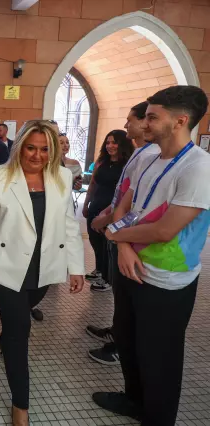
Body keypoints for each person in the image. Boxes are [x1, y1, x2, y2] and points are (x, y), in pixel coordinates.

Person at [94, 86, 210, 426]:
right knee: (127, 340)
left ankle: (158, 418)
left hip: (166, 280)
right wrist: (122, 245)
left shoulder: (198, 167)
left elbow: (164, 230)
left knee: (159, 357)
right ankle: (133, 399)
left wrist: (115, 236)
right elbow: (125, 207)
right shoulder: (149, 158)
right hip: (130, 266)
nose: (144, 124)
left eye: (152, 117)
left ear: (180, 121)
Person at [0, 119, 85, 426]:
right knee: (20, 331)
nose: (37, 156)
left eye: (45, 149)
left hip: (44, 265)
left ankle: (7, 334)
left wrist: (77, 267)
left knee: (22, 314)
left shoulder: (62, 176)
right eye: (31, 148)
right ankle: (20, 404)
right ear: (20, 147)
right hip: (7, 265)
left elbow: (69, 224)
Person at [86, 102, 158, 366]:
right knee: (121, 294)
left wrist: (111, 226)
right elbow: (123, 195)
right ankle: (117, 333)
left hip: (134, 240)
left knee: (132, 298)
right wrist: (107, 215)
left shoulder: (152, 156)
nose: (127, 124)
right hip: (120, 231)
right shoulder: (141, 154)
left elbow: (140, 206)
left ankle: (122, 346)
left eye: (132, 120)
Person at [82, 130, 134, 292]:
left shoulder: (128, 165)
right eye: (108, 142)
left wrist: (114, 213)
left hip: (112, 209)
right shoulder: (101, 162)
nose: (110, 146)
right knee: (95, 240)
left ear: (122, 144)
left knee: (108, 243)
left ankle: (108, 278)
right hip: (96, 205)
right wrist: (86, 204)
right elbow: (93, 184)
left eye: (114, 142)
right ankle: (100, 269)